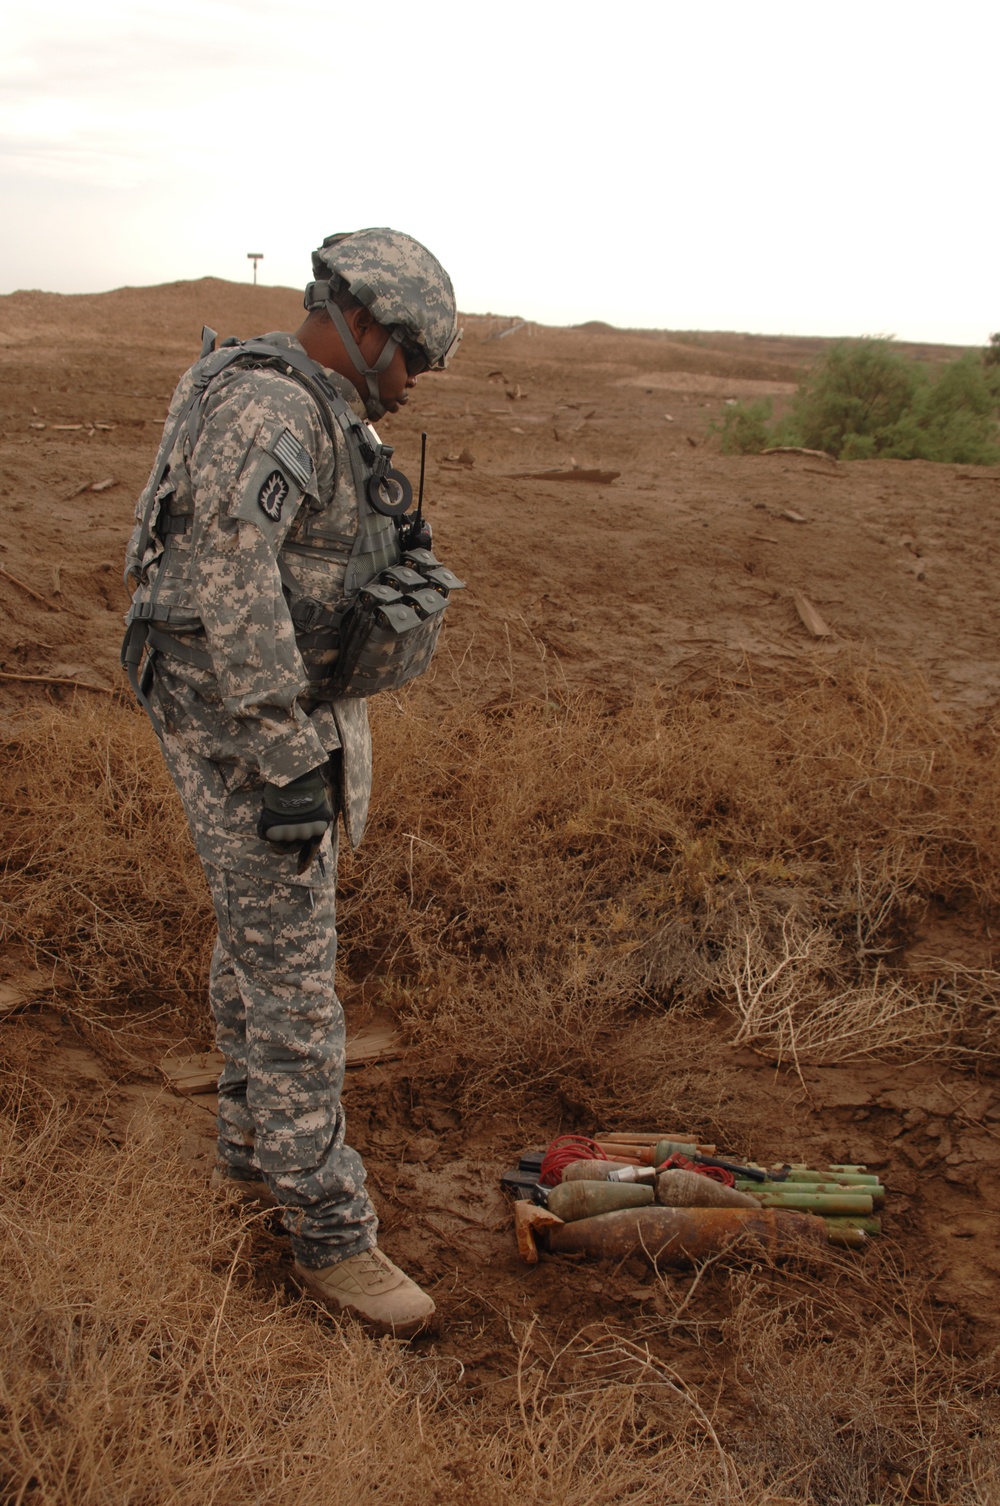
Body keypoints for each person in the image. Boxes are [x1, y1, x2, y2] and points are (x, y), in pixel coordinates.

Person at [122, 228, 463, 1337]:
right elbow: (233, 586)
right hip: (240, 725)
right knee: (295, 985)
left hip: (270, 714)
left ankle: (241, 1153)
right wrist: (281, 757)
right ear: (359, 323)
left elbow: (294, 568)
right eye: (409, 354)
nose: (413, 382)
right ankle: (328, 1238)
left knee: (258, 944)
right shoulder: (271, 408)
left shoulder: (322, 409)